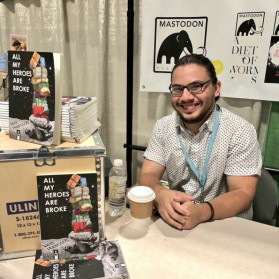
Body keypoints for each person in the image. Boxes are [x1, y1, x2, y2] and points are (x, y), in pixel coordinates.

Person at [139, 54, 262, 230]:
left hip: (225, 224)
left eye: (196, 87)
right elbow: (148, 175)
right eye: (177, 89)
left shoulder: (240, 130)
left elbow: (242, 194)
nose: (186, 97)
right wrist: (160, 194)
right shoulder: (163, 127)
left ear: (216, 88)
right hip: (178, 221)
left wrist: (201, 212)